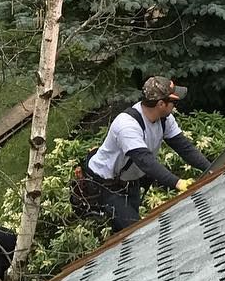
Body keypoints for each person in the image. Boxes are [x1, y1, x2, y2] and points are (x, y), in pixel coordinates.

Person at [71, 76, 210, 232]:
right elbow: (145, 161)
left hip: (129, 181)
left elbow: (184, 148)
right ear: (161, 104)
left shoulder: (164, 119)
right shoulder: (127, 126)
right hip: (104, 184)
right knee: (135, 231)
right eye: (173, 102)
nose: (175, 105)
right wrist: (178, 183)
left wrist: (210, 169)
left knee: (124, 233)